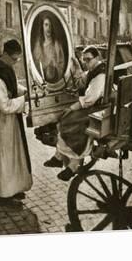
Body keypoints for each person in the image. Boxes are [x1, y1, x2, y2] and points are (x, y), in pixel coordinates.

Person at [43, 45, 106, 181]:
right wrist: (76, 68)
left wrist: (72, 107)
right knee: (64, 118)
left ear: (97, 58)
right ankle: (59, 157)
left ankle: (73, 165)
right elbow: (82, 80)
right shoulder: (94, 70)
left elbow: (90, 99)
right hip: (94, 106)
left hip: (98, 109)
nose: (86, 63)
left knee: (70, 121)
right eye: (84, 60)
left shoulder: (101, 74)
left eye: (88, 60)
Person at [0, 39, 33, 208]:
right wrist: (24, 99)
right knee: (6, 158)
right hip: (5, 122)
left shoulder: (7, 69)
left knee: (15, 156)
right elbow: (5, 105)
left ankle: (14, 188)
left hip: (13, 121)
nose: (16, 62)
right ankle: (4, 196)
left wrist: (25, 91)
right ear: (6, 55)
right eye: (15, 58)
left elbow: (13, 87)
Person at [32, 13, 65, 83]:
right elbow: (35, 66)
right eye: (46, 25)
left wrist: (54, 68)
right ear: (42, 26)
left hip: (55, 80)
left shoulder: (57, 45)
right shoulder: (38, 46)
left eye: (50, 25)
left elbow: (61, 65)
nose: (48, 28)